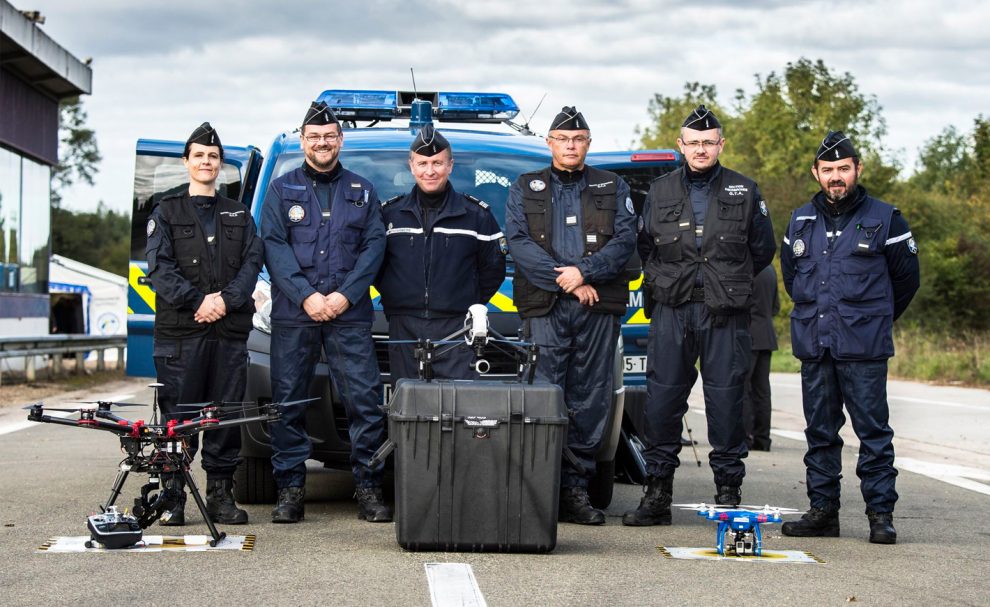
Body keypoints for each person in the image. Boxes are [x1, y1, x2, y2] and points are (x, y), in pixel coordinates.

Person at [624, 105, 776, 526]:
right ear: (681, 146)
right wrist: (664, 278)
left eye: (709, 142)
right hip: (672, 309)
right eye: (694, 143)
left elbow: (763, 250)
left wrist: (727, 280)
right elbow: (645, 245)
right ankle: (657, 493)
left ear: (721, 145)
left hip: (724, 313)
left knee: (727, 401)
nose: (701, 149)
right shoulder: (661, 190)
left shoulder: (744, 191)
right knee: (662, 402)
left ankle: (728, 490)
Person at [780, 131, 920, 544]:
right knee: (820, 433)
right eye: (828, 170)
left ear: (858, 168)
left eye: (844, 168)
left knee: (873, 433)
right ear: (816, 173)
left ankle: (880, 515)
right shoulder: (800, 219)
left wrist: (871, 319)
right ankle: (823, 512)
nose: (836, 176)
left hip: (864, 348)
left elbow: (906, 282)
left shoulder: (886, 218)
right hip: (815, 344)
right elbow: (792, 278)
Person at [505, 107, 636, 525]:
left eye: (578, 139)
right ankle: (541, 490)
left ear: (588, 143)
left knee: (591, 396)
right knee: (544, 395)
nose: (571, 146)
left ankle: (576, 490)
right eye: (563, 139)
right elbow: (519, 243)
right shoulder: (525, 187)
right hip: (546, 307)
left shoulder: (612, 185)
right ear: (550, 143)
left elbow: (626, 240)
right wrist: (569, 280)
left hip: (596, 308)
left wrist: (587, 272)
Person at [260, 101, 389, 524]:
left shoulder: (363, 191)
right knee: (288, 402)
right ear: (303, 141)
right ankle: (291, 489)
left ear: (340, 141)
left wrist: (345, 296)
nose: (322, 143)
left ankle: (368, 487)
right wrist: (306, 296)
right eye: (314, 137)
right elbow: (274, 247)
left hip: (348, 314)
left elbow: (374, 249)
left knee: (365, 403)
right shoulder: (281, 191)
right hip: (296, 313)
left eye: (329, 136)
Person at [145, 122, 263, 526]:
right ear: (187, 162)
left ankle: (219, 496)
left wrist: (225, 302)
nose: (206, 161)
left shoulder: (239, 213)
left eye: (213, 156)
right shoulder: (166, 210)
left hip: (227, 334)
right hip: (182, 335)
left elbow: (252, 264)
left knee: (225, 416)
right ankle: (173, 496)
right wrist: (199, 302)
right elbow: (159, 269)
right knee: (178, 416)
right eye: (199, 155)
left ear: (220, 164)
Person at [376, 124, 506, 381]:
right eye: (423, 164)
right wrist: (397, 296)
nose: (430, 171)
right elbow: (374, 265)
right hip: (404, 325)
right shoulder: (389, 214)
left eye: (437, 163)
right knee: (407, 406)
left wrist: (464, 300)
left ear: (450, 166)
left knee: (455, 408)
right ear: (411, 166)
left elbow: (493, 268)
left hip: (457, 327)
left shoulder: (476, 215)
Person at [743, 264, 780, 451]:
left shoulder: (745, 267)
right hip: (766, 333)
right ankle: (763, 438)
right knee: (762, 390)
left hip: (748, 332)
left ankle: (746, 436)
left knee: (744, 388)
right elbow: (775, 307)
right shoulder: (770, 269)